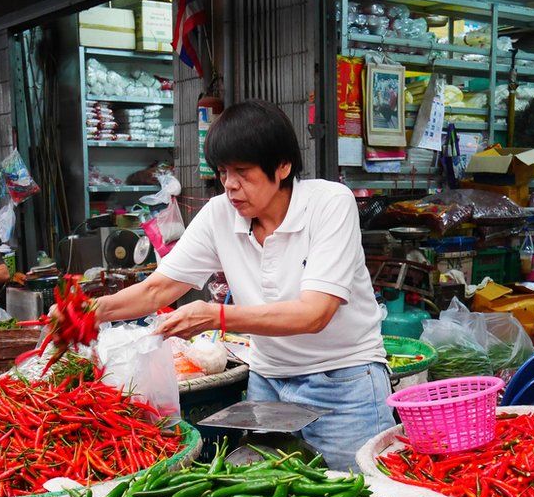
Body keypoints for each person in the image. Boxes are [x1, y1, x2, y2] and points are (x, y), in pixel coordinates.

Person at [86, 100, 393, 471]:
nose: (230, 185)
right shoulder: (219, 214)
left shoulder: (329, 204)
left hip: (344, 382)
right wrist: (89, 312)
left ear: (282, 166)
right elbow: (157, 289)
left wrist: (216, 316)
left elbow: (315, 313)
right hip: (269, 379)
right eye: (223, 172)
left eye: (243, 172)